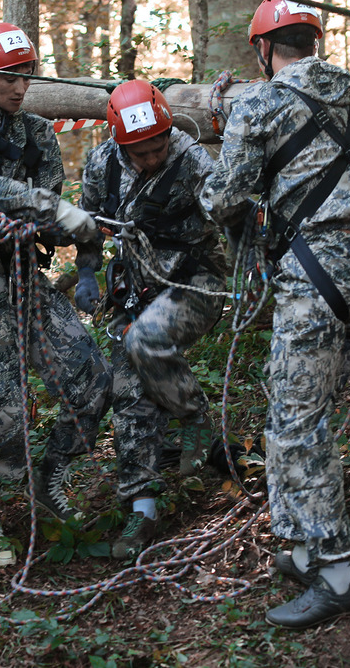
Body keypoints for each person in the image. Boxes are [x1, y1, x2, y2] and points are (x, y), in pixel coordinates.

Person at [199, 0, 350, 629]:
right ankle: (304, 544)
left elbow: (223, 200)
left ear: (263, 49)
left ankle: (335, 574)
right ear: (312, 42)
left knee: (296, 424)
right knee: (298, 405)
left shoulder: (257, 104)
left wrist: (219, 125)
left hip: (315, 275)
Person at [0, 22, 112, 567]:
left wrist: (79, 236)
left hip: (24, 277)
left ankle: (50, 477)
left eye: (25, 75)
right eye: (7, 77)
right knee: (4, 408)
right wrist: (44, 210)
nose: (18, 86)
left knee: (91, 377)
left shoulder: (38, 133)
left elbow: (50, 204)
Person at [73, 80, 228, 559]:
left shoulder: (193, 162)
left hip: (195, 282)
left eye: (157, 147)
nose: (151, 159)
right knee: (128, 394)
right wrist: (86, 271)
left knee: (146, 342)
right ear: (121, 146)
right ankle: (142, 510)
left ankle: (195, 417)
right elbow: (90, 224)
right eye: (139, 154)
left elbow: (232, 212)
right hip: (136, 287)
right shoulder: (103, 165)